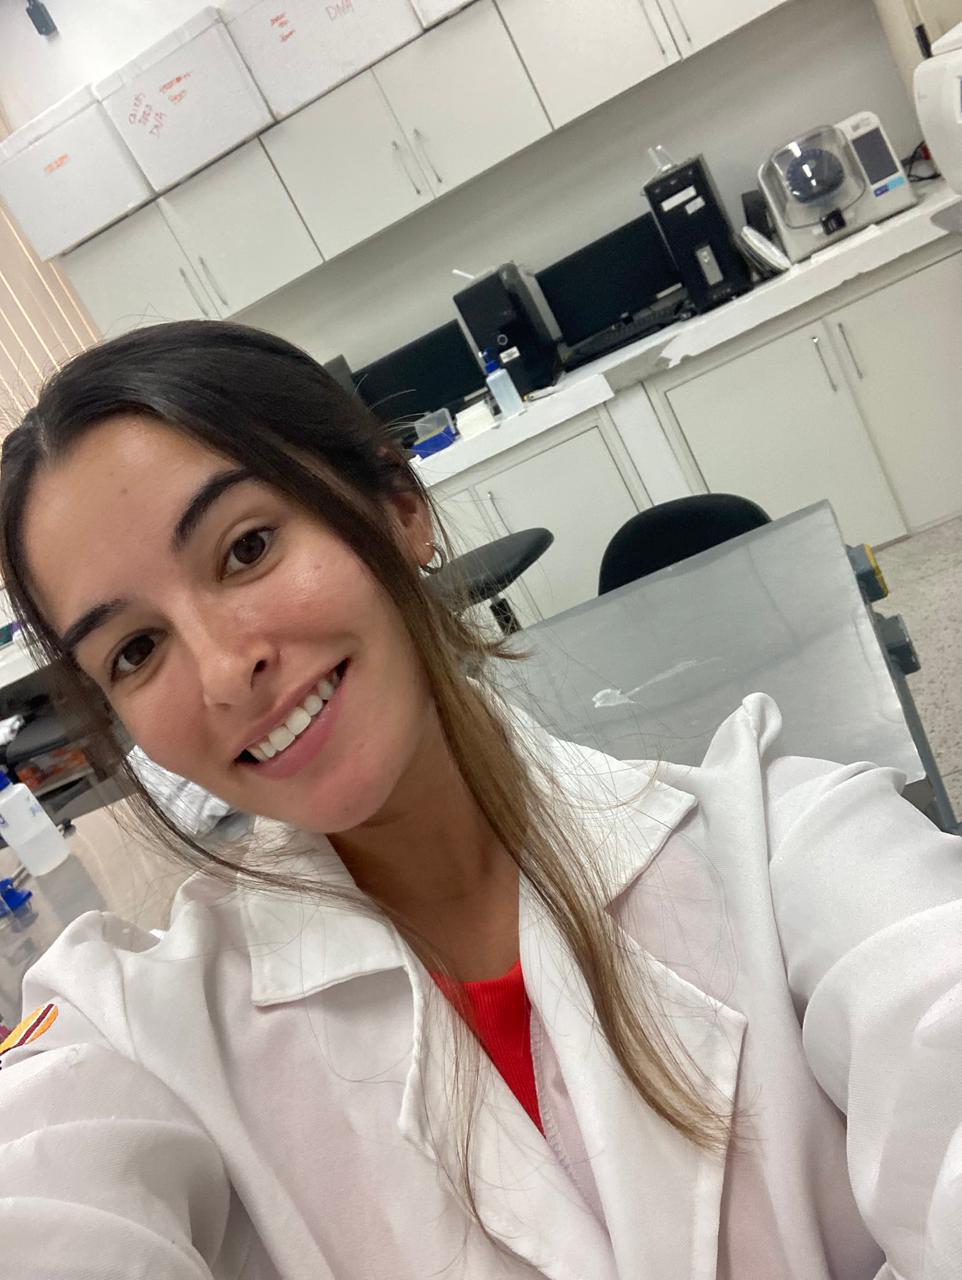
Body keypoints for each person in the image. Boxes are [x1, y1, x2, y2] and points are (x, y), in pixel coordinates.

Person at [0, 320, 959, 1280]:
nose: (222, 672)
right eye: (136, 650)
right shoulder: (134, 1031)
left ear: (398, 505)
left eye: (246, 548)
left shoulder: (787, 850)